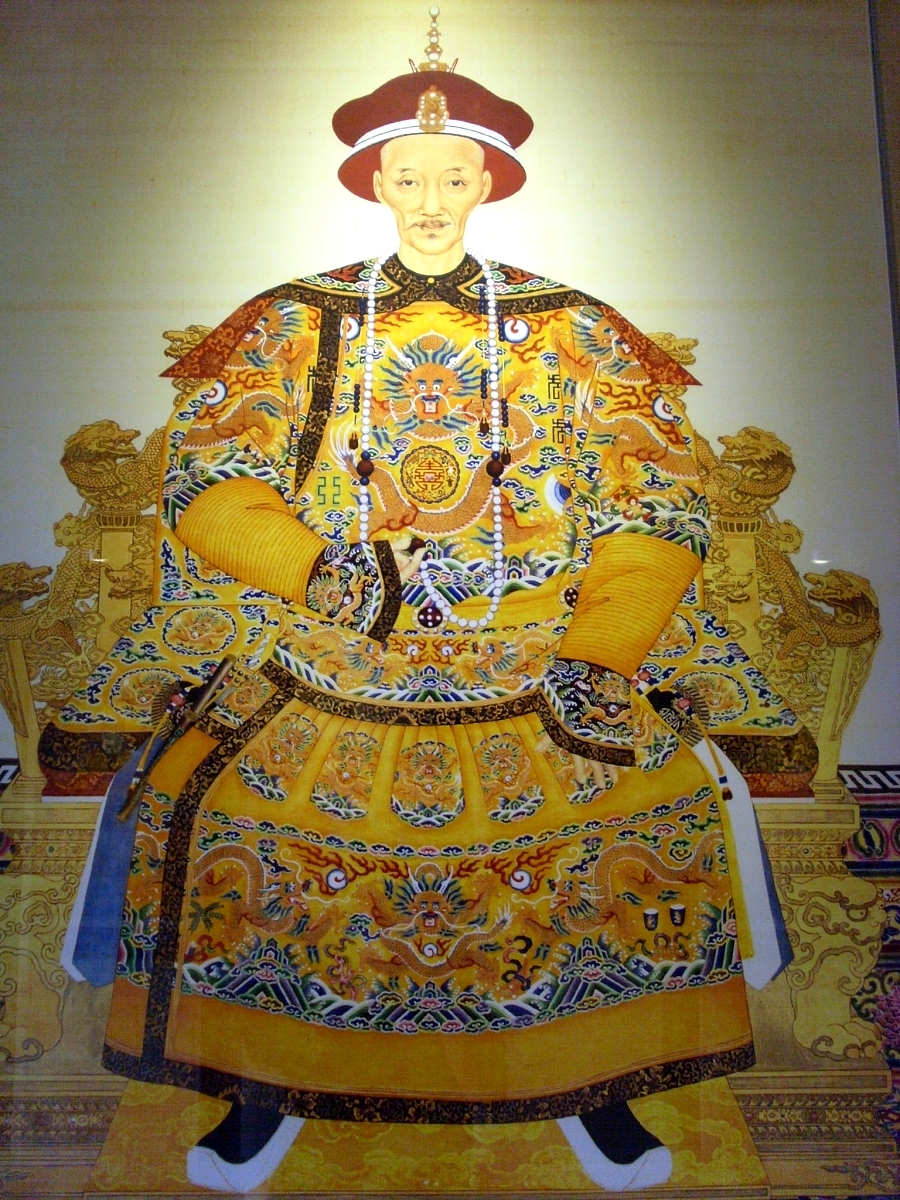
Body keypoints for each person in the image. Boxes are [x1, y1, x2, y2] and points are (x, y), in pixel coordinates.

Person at [49, 11, 804, 1194]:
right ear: (374, 182)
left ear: (490, 180)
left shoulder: (574, 329)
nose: (434, 200)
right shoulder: (294, 321)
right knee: (220, 792)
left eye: (456, 177)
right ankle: (260, 1078)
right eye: (411, 177)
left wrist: (602, 645)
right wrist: (327, 572)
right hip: (336, 639)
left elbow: (657, 500)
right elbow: (210, 478)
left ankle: (597, 1078)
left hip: (536, 642)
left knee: (649, 789)